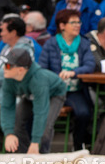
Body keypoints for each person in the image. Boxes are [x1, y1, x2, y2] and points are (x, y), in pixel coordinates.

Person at [40, 9, 95, 150]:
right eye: (73, 22)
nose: (77, 25)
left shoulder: (83, 43)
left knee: (84, 113)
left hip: (74, 90)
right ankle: (40, 148)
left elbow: (90, 65)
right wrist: (55, 77)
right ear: (62, 26)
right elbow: (42, 68)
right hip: (54, 90)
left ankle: (77, 145)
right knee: (42, 115)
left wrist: (73, 72)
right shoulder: (51, 43)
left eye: (79, 22)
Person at [1, 48, 68, 154]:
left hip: (55, 94)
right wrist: (8, 133)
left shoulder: (38, 80)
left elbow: (40, 112)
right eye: (4, 64)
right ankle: (25, 156)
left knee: (45, 127)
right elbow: (6, 106)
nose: (4, 68)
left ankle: (42, 157)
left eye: (8, 66)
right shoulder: (9, 78)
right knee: (16, 123)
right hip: (30, 94)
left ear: (20, 70)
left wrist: (35, 142)